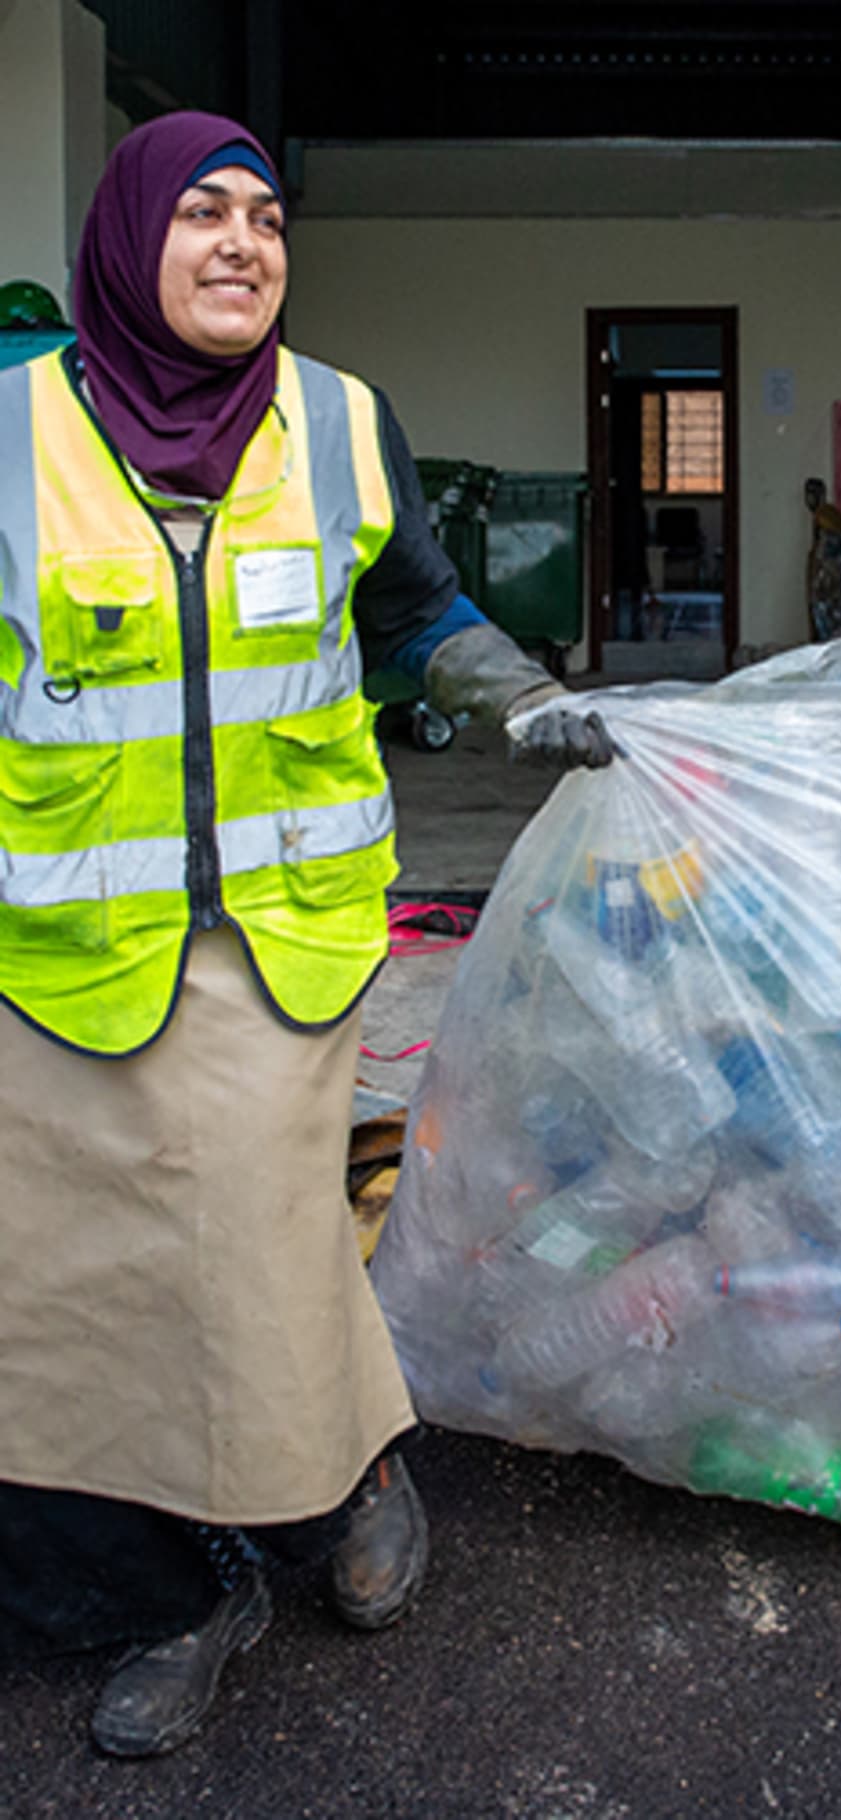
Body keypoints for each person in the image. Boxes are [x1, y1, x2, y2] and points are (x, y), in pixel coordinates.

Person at [0, 111, 612, 1757]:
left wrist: (524, 696)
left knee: (254, 1249)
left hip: (279, 940)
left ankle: (300, 1508)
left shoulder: (340, 422)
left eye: (268, 218)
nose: (241, 244)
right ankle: (165, 1586)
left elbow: (413, 610)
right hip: (53, 954)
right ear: (130, 240)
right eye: (201, 212)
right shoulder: (7, 436)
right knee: (69, 1295)